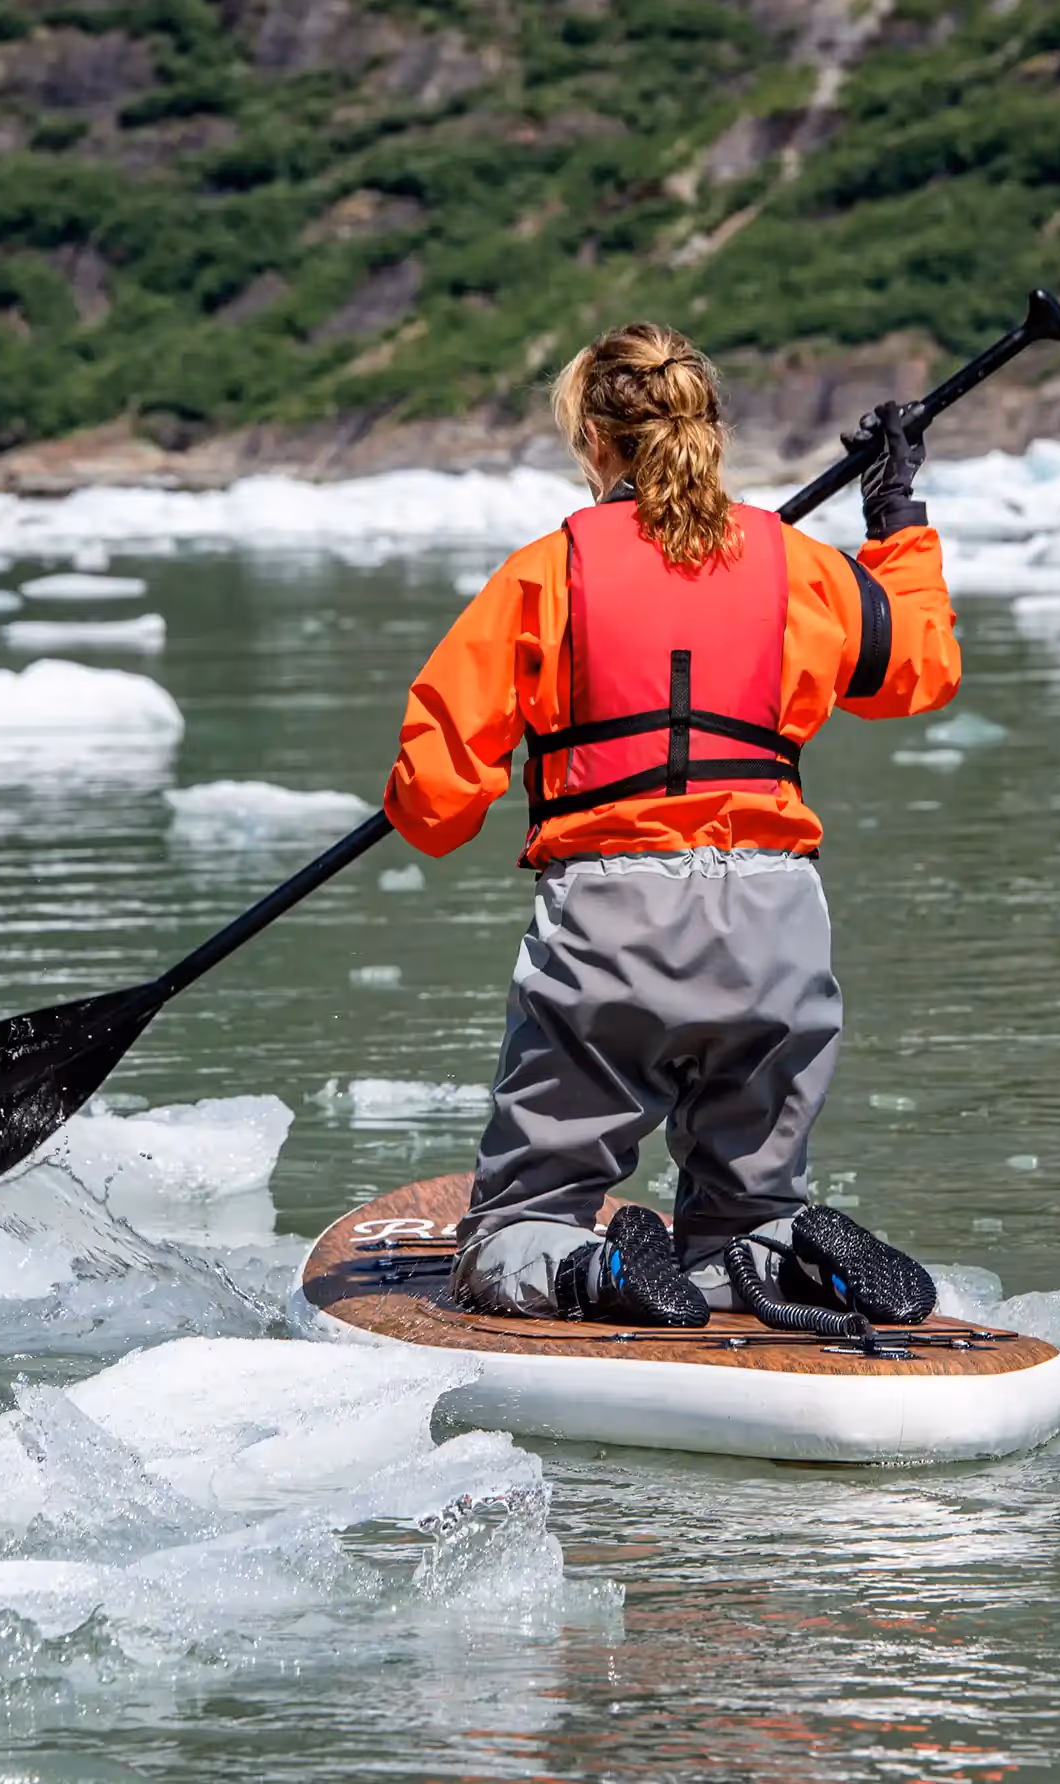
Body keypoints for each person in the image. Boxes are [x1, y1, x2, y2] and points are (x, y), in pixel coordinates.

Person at [382, 322, 961, 1327]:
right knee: (746, 1203)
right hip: (777, 925)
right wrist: (894, 511)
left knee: (514, 1227)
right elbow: (920, 665)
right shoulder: (796, 566)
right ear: (710, 431)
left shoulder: (545, 574)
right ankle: (779, 1241)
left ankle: (584, 1268)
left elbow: (435, 808)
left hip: (614, 922)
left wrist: (446, 777)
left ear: (593, 441)